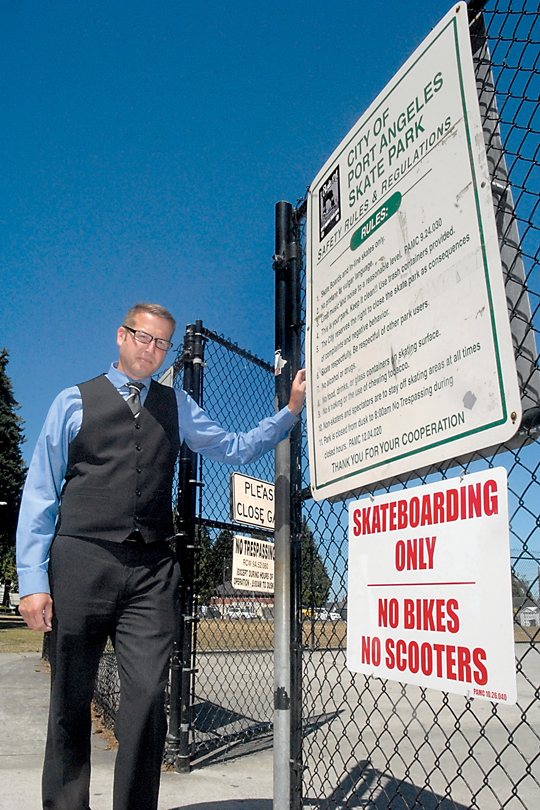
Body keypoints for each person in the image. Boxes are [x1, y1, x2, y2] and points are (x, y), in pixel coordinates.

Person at [16, 302, 306, 810]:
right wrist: (31, 578)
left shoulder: (177, 406)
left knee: (148, 699)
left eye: (161, 343)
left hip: (151, 571)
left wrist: (291, 413)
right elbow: (41, 492)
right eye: (143, 338)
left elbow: (233, 447)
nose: (151, 350)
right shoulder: (73, 401)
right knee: (69, 700)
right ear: (121, 336)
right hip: (81, 560)